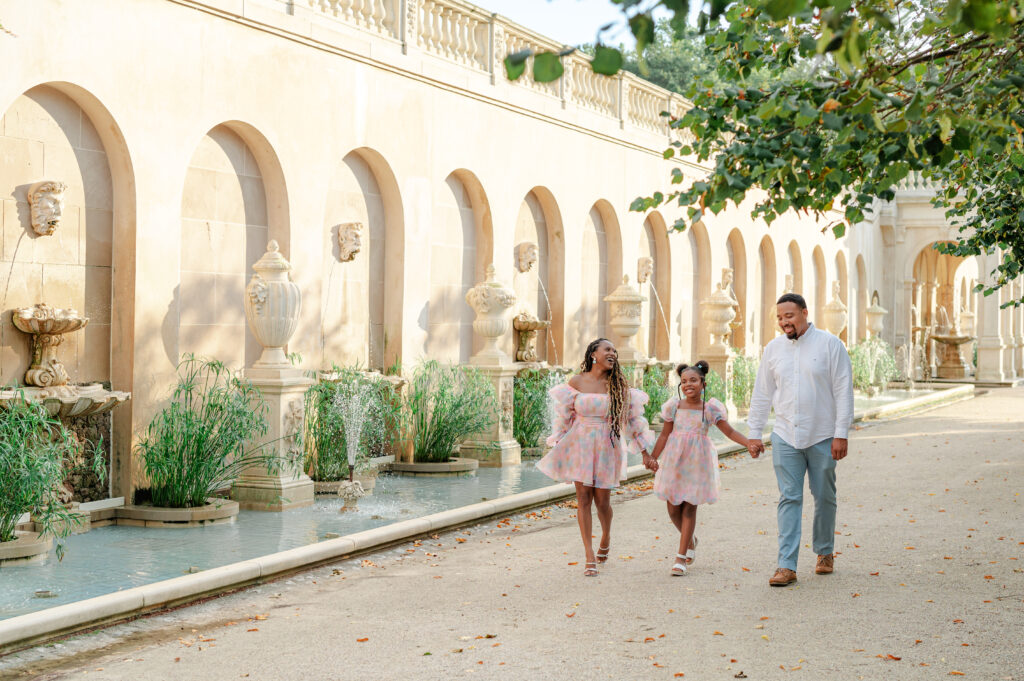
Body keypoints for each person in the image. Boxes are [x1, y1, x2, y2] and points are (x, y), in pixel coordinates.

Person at [747, 293, 854, 587]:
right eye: (780, 318)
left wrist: (841, 433)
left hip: (822, 435)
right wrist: (755, 433)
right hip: (784, 435)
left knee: (824, 496)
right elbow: (762, 393)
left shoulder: (831, 345)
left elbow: (844, 391)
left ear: (804, 313)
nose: (784, 322)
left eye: (789, 316)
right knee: (789, 497)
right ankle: (786, 566)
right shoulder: (773, 349)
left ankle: (824, 551)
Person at [537, 338, 655, 577]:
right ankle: (589, 555)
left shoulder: (618, 385)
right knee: (583, 500)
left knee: (602, 502)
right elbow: (564, 418)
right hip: (580, 444)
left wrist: (644, 452)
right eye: (607, 349)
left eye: (614, 351)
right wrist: (559, 444)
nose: (613, 353)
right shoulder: (576, 382)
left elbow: (633, 422)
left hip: (607, 445)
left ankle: (606, 536)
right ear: (594, 354)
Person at [644, 361, 760, 575]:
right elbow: (664, 434)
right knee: (672, 509)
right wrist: (652, 456)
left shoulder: (709, 408)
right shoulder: (674, 406)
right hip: (674, 461)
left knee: (689, 506)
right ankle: (690, 538)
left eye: (693, 380)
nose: (688, 384)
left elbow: (731, 432)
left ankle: (681, 557)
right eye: (684, 381)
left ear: (703, 384)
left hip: (698, 462)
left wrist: (749, 443)